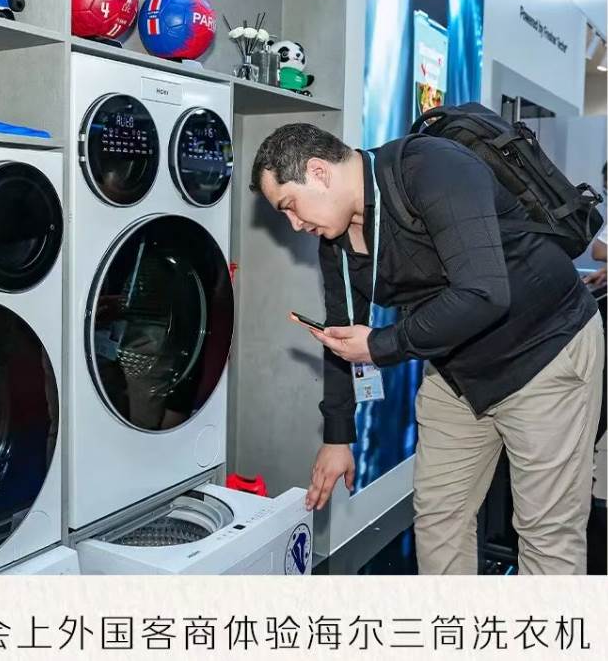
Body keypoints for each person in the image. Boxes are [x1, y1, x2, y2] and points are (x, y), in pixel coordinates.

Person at [250, 123, 605, 575]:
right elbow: (339, 334)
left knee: (545, 533)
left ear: (318, 172)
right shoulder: (335, 241)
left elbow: (483, 293)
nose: (295, 225)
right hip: (458, 371)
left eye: (289, 206)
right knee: (439, 518)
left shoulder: (433, 168)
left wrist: (382, 345)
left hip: (544, 353)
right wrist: (338, 436)